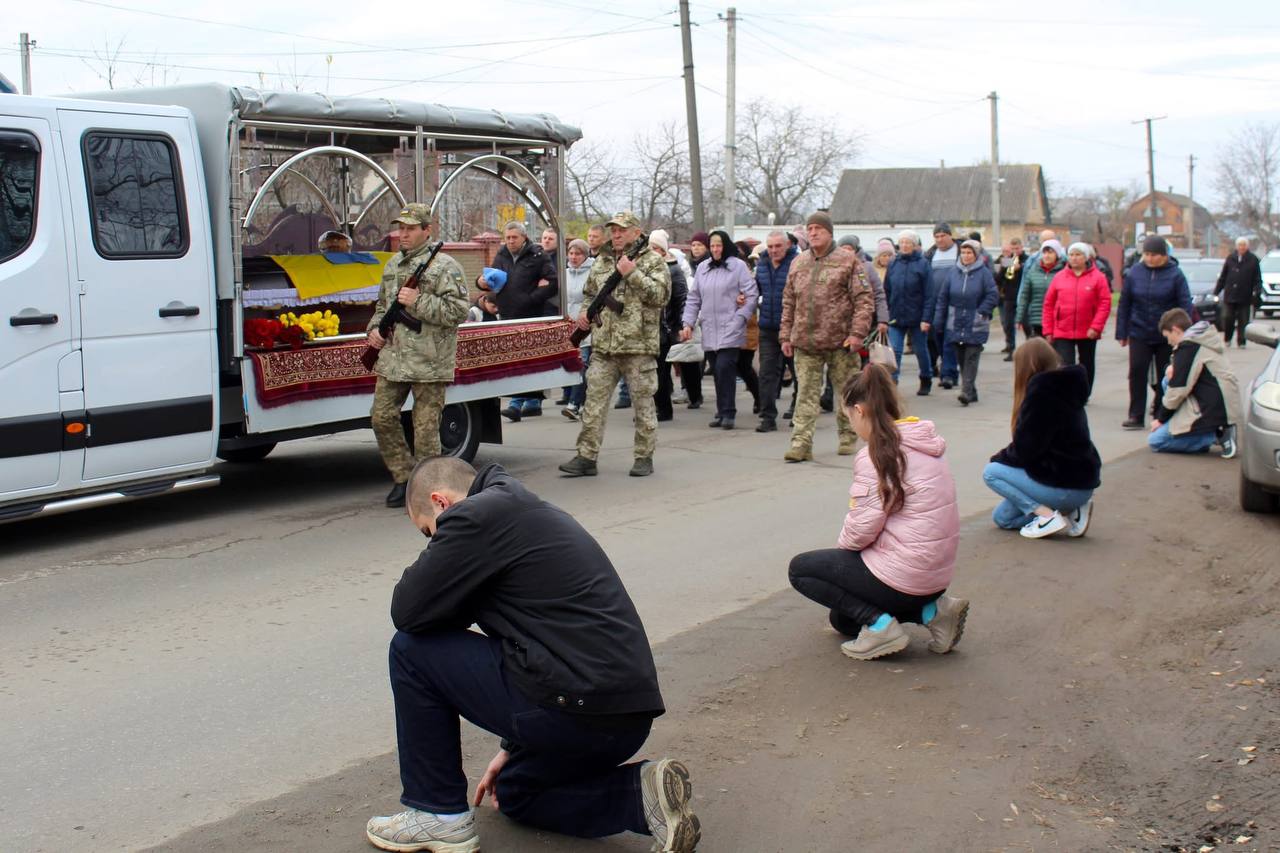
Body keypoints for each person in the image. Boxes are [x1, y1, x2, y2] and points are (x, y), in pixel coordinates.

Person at [365, 457, 699, 853]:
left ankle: (436, 813)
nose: (433, 541)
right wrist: (513, 747)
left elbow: (408, 610)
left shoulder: (474, 516)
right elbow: (543, 639)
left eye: (428, 531)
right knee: (517, 791)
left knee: (411, 650)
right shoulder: (520, 509)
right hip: (623, 719)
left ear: (441, 502)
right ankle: (639, 795)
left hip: (575, 709)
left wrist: (442, 553)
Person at [788, 364, 967, 661]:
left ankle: (882, 628)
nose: (852, 425)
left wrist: (843, 564)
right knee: (843, 621)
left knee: (801, 569)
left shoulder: (878, 455)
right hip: (934, 576)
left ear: (859, 410)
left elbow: (859, 532)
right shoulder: (924, 444)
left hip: (906, 576)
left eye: (848, 417)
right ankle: (933, 612)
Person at [367, 204, 470, 508]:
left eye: (411, 228)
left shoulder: (445, 266)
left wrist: (418, 300)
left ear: (427, 230)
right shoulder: (392, 265)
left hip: (429, 360)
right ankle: (403, 477)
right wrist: (374, 329)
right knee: (381, 418)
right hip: (393, 358)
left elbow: (458, 311)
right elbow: (382, 306)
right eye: (401, 228)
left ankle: (427, 493)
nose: (404, 234)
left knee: (425, 433)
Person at [560, 212, 671, 478]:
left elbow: (660, 296)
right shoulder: (602, 260)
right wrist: (585, 313)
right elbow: (590, 293)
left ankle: (643, 456)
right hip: (604, 346)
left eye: (622, 229)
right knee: (593, 403)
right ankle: (586, 456)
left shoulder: (653, 260)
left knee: (643, 405)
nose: (617, 234)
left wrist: (632, 273)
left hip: (638, 346)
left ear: (636, 232)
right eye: (614, 230)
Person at [779, 211, 875, 461]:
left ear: (829, 232)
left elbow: (864, 300)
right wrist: (785, 335)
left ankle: (849, 435)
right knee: (806, 394)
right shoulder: (798, 262)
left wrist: (857, 333)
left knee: (847, 393)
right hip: (805, 342)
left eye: (818, 229)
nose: (813, 233)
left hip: (840, 342)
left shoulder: (847, 261)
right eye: (809, 229)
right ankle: (801, 443)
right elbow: (788, 301)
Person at [982, 338, 1100, 539]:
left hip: (1062, 484)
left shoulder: (1041, 393)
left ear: (1027, 366)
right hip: (1082, 482)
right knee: (1002, 518)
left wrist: (1000, 458)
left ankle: (1047, 516)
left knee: (992, 472)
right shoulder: (1068, 386)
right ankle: (1071, 510)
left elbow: (1026, 449)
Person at [480, 222, 559, 421]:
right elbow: (491, 279)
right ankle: (527, 402)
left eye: (514, 237)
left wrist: (531, 298)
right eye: (507, 237)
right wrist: (481, 283)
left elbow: (553, 283)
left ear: (524, 237)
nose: (510, 241)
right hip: (507, 315)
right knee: (514, 359)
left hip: (531, 315)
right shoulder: (501, 255)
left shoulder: (537, 255)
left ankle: (521, 403)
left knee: (527, 359)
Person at [680, 230, 757, 429]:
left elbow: (751, 295)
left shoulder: (738, 266)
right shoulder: (703, 268)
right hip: (709, 328)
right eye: (712, 246)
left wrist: (740, 318)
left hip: (731, 326)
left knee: (725, 368)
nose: (715, 249)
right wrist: (688, 323)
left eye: (719, 245)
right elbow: (694, 298)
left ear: (726, 246)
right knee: (717, 371)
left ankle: (729, 412)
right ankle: (721, 411)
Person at [1117, 235, 1192, 430]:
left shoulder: (1175, 275)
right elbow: (1125, 303)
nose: (1150, 259)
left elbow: (1185, 304)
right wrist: (1122, 332)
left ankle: (1160, 411)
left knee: (1164, 373)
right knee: (1137, 371)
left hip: (1166, 334)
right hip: (1139, 330)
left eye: (1154, 255)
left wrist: (1184, 332)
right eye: (1147, 254)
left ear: (1164, 255)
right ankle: (1135, 414)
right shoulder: (1135, 273)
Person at [1148, 308, 1241, 457]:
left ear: (1175, 330)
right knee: (1167, 379)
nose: (1168, 342)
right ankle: (1202, 432)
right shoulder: (1201, 339)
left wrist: (1160, 419)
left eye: (1168, 336)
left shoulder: (1189, 347)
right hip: (1221, 404)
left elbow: (1178, 389)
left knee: (1156, 441)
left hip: (1211, 409)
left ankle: (1214, 435)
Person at [932, 239, 999, 406]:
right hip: (955, 321)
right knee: (961, 357)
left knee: (971, 357)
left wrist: (982, 311)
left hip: (975, 321)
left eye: (969, 253)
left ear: (976, 255)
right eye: (963, 252)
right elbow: (943, 297)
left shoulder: (984, 273)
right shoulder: (953, 272)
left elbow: (992, 294)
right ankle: (972, 390)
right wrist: (939, 319)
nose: (966, 256)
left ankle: (966, 392)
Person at [1042, 242, 1111, 397]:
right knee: (1065, 365)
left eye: (1078, 255)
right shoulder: (1059, 277)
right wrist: (1048, 330)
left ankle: (1084, 393)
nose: (1074, 258)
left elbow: (1105, 303)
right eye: (1071, 255)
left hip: (1088, 330)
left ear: (1086, 257)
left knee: (1086, 364)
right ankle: (1068, 394)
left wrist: (1096, 327)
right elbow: (1048, 304)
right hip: (1062, 329)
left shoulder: (1098, 278)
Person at [755, 229, 798, 432]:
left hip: (793, 328)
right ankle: (767, 417)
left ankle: (799, 412)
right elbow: (756, 290)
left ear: (787, 245)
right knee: (766, 374)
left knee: (799, 374)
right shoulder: (762, 265)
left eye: (778, 246)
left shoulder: (797, 264)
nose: (773, 250)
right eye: (770, 246)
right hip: (767, 328)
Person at [884, 230, 936, 394]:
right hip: (896, 316)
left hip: (918, 317)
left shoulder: (923, 264)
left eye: (908, 243)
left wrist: (926, 318)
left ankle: (926, 377)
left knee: (921, 350)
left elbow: (929, 294)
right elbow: (887, 290)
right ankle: (892, 382)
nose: (905, 245)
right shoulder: (893, 263)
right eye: (902, 242)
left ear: (914, 245)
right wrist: (886, 313)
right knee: (895, 350)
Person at [648, 229, 688, 422]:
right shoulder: (647, 268)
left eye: (655, 248)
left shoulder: (674, 270)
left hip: (666, 328)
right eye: (650, 247)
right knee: (650, 371)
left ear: (663, 251)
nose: (652, 251)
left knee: (661, 372)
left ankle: (664, 410)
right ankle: (654, 407)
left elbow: (682, 299)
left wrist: (682, 325)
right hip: (649, 328)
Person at [924, 223, 960, 388]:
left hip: (954, 303)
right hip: (934, 303)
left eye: (942, 236)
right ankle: (946, 369)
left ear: (950, 235)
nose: (939, 239)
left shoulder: (960, 252)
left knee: (949, 338)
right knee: (936, 337)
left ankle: (948, 374)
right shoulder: (930, 254)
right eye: (936, 237)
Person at [561, 238, 593, 420]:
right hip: (569, 325)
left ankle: (574, 403)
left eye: (578, 254)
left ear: (585, 256)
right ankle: (583, 403)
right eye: (571, 253)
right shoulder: (565, 273)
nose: (573, 257)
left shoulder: (592, 272)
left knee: (583, 363)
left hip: (586, 326)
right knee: (575, 365)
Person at [1214, 236, 1263, 347]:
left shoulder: (1253, 260)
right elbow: (1223, 277)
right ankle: (1227, 339)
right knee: (1227, 318)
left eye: (1244, 245)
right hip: (1230, 295)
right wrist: (1216, 292)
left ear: (1247, 246)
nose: (1242, 247)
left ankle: (1241, 341)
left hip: (1245, 295)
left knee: (1243, 320)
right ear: (1237, 246)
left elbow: (1257, 278)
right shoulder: (1230, 258)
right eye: (1240, 245)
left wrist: (1257, 291)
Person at [1016, 238, 1064, 341]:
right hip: (1037, 320)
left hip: (1058, 321)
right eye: (1044, 252)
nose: (1046, 255)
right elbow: (1025, 296)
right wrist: (1019, 318)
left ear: (1057, 254)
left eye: (1050, 252)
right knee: (1039, 350)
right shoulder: (1033, 271)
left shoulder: (1064, 272)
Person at [993, 237, 1027, 361]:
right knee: (1007, 324)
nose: (1015, 251)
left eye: (1017, 248)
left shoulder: (1026, 259)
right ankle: (1011, 349)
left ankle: (1029, 350)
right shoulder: (1007, 260)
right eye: (1012, 249)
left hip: (1023, 296)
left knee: (1026, 325)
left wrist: (1020, 267)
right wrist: (1004, 266)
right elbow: (997, 278)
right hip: (1009, 297)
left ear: (1021, 247)